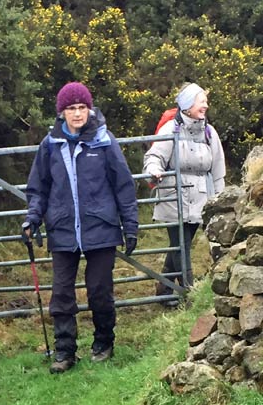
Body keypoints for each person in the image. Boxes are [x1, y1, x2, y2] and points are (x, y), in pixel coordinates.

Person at [23, 82, 138, 374]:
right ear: (62, 113)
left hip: (101, 227)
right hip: (62, 230)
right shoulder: (49, 145)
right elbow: (39, 189)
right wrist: (32, 219)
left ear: (89, 109)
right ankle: (64, 351)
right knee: (61, 293)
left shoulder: (103, 141)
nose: (77, 114)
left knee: (99, 290)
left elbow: (123, 185)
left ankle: (103, 342)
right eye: (71, 108)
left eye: (82, 108)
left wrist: (131, 226)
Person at [143, 83, 225, 306]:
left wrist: (221, 199)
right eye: (202, 101)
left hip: (199, 199)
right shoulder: (170, 130)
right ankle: (190, 292)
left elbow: (217, 168)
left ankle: (164, 289)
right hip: (173, 199)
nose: (206, 105)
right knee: (180, 244)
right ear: (188, 105)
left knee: (181, 244)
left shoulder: (209, 132)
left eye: (206, 102)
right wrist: (153, 170)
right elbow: (154, 157)